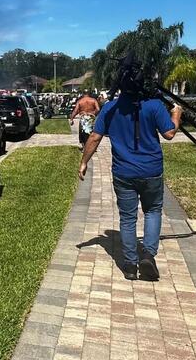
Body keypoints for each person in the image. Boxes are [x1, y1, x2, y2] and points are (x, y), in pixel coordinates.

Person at [78, 93, 182, 281]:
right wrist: (176, 113)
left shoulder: (111, 107)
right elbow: (169, 133)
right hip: (151, 170)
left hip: (124, 172)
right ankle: (148, 255)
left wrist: (84, 161)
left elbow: (94, 136)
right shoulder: (154, 105)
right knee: (153, 211)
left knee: (127, 218)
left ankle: (130, 266)